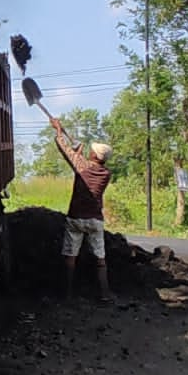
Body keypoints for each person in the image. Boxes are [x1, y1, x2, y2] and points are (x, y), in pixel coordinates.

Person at [51, 117, 113, 301]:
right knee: (100, 258)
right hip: (95, 220)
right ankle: (104, 294)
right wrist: (78, 153)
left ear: (94, 156)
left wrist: (58, 131)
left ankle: (68, 294)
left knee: (70, 256)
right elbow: (81, 162)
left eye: (92, 151)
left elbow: (63, 149)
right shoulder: (106, 174)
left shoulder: (81, 165)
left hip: (76, 218)